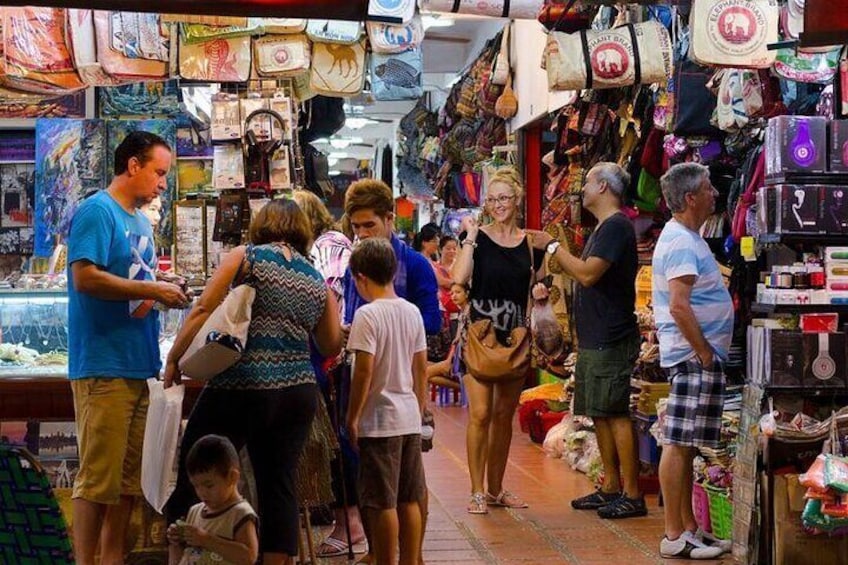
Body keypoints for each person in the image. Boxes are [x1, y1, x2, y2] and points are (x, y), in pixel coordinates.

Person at [164, 199, 342, 565]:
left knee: (195, 464)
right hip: (297, 392)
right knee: (279, 482)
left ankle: (184, 553)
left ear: (261, 225)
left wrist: (174, 357)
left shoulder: (247, 256)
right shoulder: (315, 278)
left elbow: (202, 308)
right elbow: (330, 343)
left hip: (244, 384)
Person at [67, 131, 187, 565]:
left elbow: (136, 292)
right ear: (132, 165)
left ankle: (113, 558)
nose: (162, 184)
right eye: (158, 172)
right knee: (97, 479)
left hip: (140, 366)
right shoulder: (97, 211)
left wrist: (163, 288)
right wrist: (151, 287)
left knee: (128, 483)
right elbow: (86, 277)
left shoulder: (139, 221)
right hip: (103, 364)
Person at [317, 179, 440, 558]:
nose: (361, 234)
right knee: (372, 482)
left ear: (390, 219)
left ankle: (406, 555)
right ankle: (378, 551)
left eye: (369, 226)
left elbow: (431, 325)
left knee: (402, 488)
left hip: (393, 391)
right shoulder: (359, 263)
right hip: (378, 389)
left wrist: (383, 327)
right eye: (355, 227)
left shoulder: (416, 265)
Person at [529, 162, 645, 519]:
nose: (583, 189)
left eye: (590, 182)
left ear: (605, 188)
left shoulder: (616, 227)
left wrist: (551, 247)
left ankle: (632, 493)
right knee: (600, 412)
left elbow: (588, 273)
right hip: (596, 336)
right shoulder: (603, 228)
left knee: (616, 413)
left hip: (611, 334)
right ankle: (610, 485)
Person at [652, 162, 733, 559]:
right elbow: (680, 307)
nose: (715, 194)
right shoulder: (682, 243)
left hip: (694, 357)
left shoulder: (687, 237)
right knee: (679, 443)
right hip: (691, 357)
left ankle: (689, 527)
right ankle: (674, 534)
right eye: (708, 188)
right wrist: (703, 352)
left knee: (685, 445)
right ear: (690, 198)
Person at [452, 167, 544, 514]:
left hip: (515, 335)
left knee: (504, 416)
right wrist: (472, 237)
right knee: (480, 413)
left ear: (517, 199)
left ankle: (495, 488)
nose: (498, 205)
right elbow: (459, 277)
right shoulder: (479, 237)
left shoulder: (530, 242)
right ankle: (476, 490)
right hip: (479, 333)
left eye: (504, 198)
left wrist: (541, 292)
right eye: (492, 199)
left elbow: (537, 289)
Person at [345, 238, 428, 565]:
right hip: (408, 418)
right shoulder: (412, 312)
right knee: (409, 498)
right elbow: (420, 367)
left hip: (379, 422)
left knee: (382, 502)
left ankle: (385, 561)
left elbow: (363, 372)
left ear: (361, 277)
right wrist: (418, 409)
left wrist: (353, 418)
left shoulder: (367, 315)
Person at [167, 435, 259, 565]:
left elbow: (249, 557)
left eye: (209, 485)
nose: (201, 493)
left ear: (232, 477)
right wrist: (176, 541)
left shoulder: (240, 514)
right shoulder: (195, 511)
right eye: (196, 486)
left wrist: (206, 540)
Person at [427, 282, 470, 392]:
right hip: (456, 359)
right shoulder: (462, 312)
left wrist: (450, 361)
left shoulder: (469, 313)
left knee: (423, 373)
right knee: (424, 368)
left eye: (458, 292)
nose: (454, 296)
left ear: (467, 294)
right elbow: (455, 342)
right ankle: (465, 388)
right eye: (452, 293)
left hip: (464, 361)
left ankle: (466, 387)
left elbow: (461, 342)